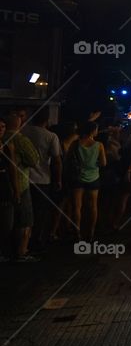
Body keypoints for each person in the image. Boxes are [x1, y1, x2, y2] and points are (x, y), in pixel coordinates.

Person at [20, 106, 62, 251]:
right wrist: (58, 180)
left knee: (24, 212)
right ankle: (36, 240)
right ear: (47, 119)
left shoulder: (23, 132)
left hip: (24, 178)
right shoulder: (51, 136)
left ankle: (22, 241)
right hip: (43, 179)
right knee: (40, 212)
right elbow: (57, 161)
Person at [3, 110, 40, 260]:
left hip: (4, 185)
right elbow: (33, 160)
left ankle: (8, 250)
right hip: (21, 183)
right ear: (19, 124)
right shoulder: (20, 140)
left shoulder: (3, 138)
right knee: (24, 220)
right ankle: (21, 251)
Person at [70, 121, 106, 242]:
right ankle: (91, 232)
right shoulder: (99, 145)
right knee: (93, 206)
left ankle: (77, 232)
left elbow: (69, 159)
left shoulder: (75, 144)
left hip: (78, 177)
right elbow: (103, 163)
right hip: (93, 177)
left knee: (77, 207)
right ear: (92, 131)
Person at [0, 118, 20, 261]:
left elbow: (13, 169)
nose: (1, 129)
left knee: (7, 224)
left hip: (5, 188)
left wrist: (16, 190)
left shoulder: (7, 145)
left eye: (3, 126)